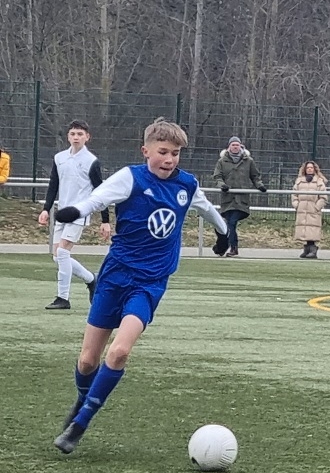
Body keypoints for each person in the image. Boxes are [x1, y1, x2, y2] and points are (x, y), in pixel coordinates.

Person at [51, 118, 228, 454]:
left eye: (175, 153)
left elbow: (206, 209)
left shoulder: (187, 185)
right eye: (163, 152)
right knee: (87, 361)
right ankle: (82, 400)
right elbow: (97, 199)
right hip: (115, 277)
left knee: (119, 351)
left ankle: (80, 424)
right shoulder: (130, 178)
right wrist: (75, 211)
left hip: (149, 283)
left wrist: (224, 233)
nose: (169, 159)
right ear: (145, 150)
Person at [37, 120, 111, 310]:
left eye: (80, 134)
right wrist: (46, 209)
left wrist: (105, 220)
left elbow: (100, 191)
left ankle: (63, 298)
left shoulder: (91, 161)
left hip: (79, 214)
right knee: (57, 257)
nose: (76, 137)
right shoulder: (60, 158)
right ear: (68, 136)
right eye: (73, 134)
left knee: (62, 253)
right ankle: (91, 279)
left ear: (87, 137)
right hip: (62, 213)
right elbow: (54, 184)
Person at [212, 136, 265, 257]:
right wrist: (222, 185)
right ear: (229, 147)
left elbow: (255, 176)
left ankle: (233, 248)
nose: (235, 147)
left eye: (237, 145)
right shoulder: (222, 161)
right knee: (225, 225)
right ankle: (221, 247)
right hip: (227, 199)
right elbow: (217, 176)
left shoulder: (249, 161)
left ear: (241, 146)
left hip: (241, 200)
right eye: (233, 145)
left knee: (232, 223)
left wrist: (260, 186)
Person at [291, 160, 328, 259]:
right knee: (304, 229)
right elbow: (294, 195)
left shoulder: (319, 182)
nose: (310, 169)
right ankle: (307, 249)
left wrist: (317, 207)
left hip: (313, 210)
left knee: (312, 229)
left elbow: (323, 197)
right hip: (302, 209)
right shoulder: (299, 181)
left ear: (314, 169)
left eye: (311, 167)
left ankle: (313, 249)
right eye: (308, 168)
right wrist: (297, 205)